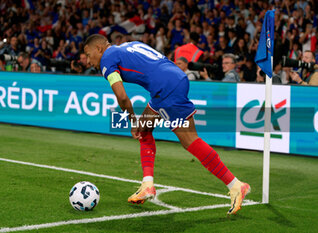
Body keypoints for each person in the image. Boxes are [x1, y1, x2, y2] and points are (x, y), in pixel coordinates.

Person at [84, 34, 250, 215]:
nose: (87, 61)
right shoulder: (129, 45)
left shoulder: (106, 60)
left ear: (99, 48)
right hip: (172, 81)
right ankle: (147, 184)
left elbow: (123, 98)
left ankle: (235, 185)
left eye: (88, 54)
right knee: (144, 131)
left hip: (166, 88)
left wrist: (132, 120)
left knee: (189, 140)